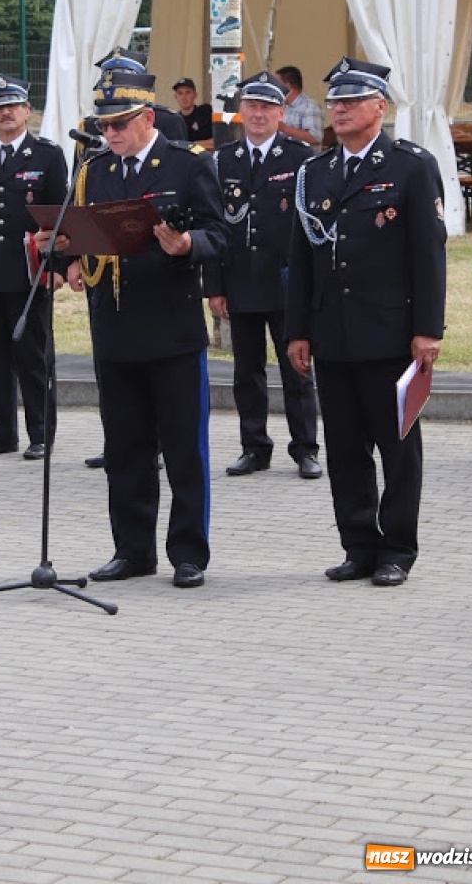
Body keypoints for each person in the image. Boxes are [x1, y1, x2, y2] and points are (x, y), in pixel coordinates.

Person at [59, 68, 227, 588]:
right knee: (125, 448)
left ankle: (188, 553)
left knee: (183, 448)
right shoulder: (93, 170)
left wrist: (188, 245)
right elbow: (80, 231)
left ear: (148, 118)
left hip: (172, 329)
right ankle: (132, 549)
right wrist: (66, 255)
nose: (110, 134)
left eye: (120, 124)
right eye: (104, 125)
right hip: (114, 327)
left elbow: (221, 232)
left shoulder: (187, 164)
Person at [285, 57, 447, 586]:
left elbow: (428, 255)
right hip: (333, 333)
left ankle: (397, 548)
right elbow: (302, 257)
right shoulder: (316, 171)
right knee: (347, 450)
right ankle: (358, 545)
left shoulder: (410, 165)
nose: (341, 109)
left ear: (381, 107)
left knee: (398, 450)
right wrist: (298, 330)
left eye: (352, 101)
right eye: (335, 101)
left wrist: (428, 329)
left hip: (390, 334)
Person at [205, 71, 322, 480]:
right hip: (241, 281)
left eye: (267, 107)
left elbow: (312, 229)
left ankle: (305, 448)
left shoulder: (300, 158)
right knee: (246, 371)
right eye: (251, 106)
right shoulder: (223, 160)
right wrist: (215, 288)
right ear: (240, 111)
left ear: (281, 111)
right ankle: (254, 447)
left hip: (287, 282)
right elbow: (214, 227)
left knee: (297, 368)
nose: (258, 114)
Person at [80, 46, 186, 470]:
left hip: (156, 276)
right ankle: (118, 439)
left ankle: (155, 441)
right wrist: (72, 253)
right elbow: (86, 190)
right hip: (104, 272)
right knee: (110, 366)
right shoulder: (92, 133)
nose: (108, 130)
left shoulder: (169, 126)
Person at [0, 75, 68, 461]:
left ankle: (41, 433)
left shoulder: (47, 155)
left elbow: (60, 217)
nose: (6, 112)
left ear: (28, 111)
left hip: (32, 272)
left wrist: (57, 266)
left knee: (34, 356)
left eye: (13, 105)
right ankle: (2, 432)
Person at [274, 65, 324, 149]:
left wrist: (284, 128)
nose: (275, 88)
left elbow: (315, 138)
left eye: (277, 84)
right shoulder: (282, 106)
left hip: (304, 160)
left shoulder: (310, 106)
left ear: (287, 85)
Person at [172, 77, 213, 148]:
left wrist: (190, 145)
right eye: (180, 93)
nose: (184, 97)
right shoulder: (175, 120)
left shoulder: (205, 112)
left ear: (195, 95)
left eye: (188, 92)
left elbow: (218, 141)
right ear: (176, 97)